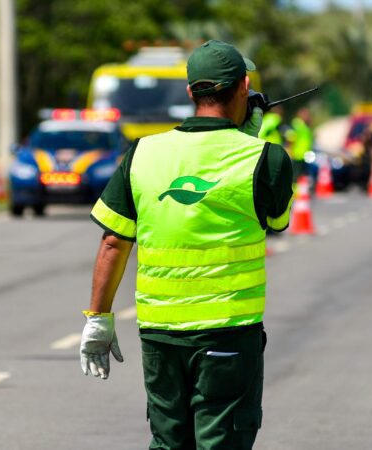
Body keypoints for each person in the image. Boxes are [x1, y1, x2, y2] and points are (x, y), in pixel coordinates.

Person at [79, 40, 294, 449]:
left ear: (190, 91)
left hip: (160, 335)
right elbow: (276, 221)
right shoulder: (266, 158)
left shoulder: (142, 153)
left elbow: (113, 242)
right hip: (228, 333)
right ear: (244, 87)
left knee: (168, 442)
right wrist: (249, 140)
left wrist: (99, 319)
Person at [287, 107, 314, 181]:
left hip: (305, 155)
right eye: (305, 114)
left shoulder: (305, 125)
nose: (307, 116)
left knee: (302, 175)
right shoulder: (296, 124)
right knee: (295, 176)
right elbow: (290, 138)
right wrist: (290, 151)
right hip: (297, 154)